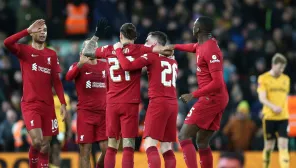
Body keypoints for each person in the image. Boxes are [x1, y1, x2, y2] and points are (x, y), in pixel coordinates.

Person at [82, 20, 169, 168]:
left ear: (121, 35)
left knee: (112, 146)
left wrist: (96, 35)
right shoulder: (141, 49)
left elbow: (86, 52)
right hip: (131, 103)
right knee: (128, 145)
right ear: (135, 37)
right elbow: (163, 50)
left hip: (112, 102)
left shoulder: (109, 49)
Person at [163, 16, 229, 168]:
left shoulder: (210, 49)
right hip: (215, 98)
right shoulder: (203, 44)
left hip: (212, 98)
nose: (192, 27)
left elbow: (217, 82)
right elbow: (193, 47)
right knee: (202, 141)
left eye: (194, 25)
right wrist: (174, 46)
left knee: (183, 136)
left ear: (198, 29)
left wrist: (193, 94)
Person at [3, 19, 67, 168]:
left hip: (48, 105)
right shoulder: (25, 51)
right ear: (33, 33)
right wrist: (26, 30)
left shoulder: (51, 54)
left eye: (45, 30)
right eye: (39, 30)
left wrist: (63, 103)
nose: (43, 32)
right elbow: (7, 42)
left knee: (45, 145)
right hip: (31, 104)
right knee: (37, 142)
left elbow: (56, 81)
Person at [114, 31, 178, 168]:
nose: (144, 44)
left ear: (154, 44)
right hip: (173, 103)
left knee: (150, 144)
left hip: (158, 103)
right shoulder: (173, 60)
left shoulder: (151, 56)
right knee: (167, 147)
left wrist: (118, 50)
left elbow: (127, 67)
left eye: (147, 41)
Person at [65, 40, 108, 168]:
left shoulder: (105, 65)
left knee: (108, 150)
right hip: (86, 114)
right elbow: (68, 77)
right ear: (81, 52)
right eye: (89, 47)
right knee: (85, 152)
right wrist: (80, 64)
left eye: (94, 46)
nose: (92, 49)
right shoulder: (78, 66)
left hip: (104, 114)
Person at [257, 53, 290, 168]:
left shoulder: (286, 79)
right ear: (273, 65)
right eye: (280, 67)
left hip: (283, 117)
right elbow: (262, 97)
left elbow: (284, 97)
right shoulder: (263, 78)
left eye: (283, 68)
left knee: (283, 145)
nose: (281, 70)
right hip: (269, 116)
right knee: (269, 146)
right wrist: (273, 107)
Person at [49, 91, 71, 168]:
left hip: (60, 129)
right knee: (48, 151)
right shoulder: (46, 96)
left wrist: (69, 130)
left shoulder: (64, 97)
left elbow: (67, 115)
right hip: (48, 128)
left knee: (56, 150)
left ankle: (56, 166)